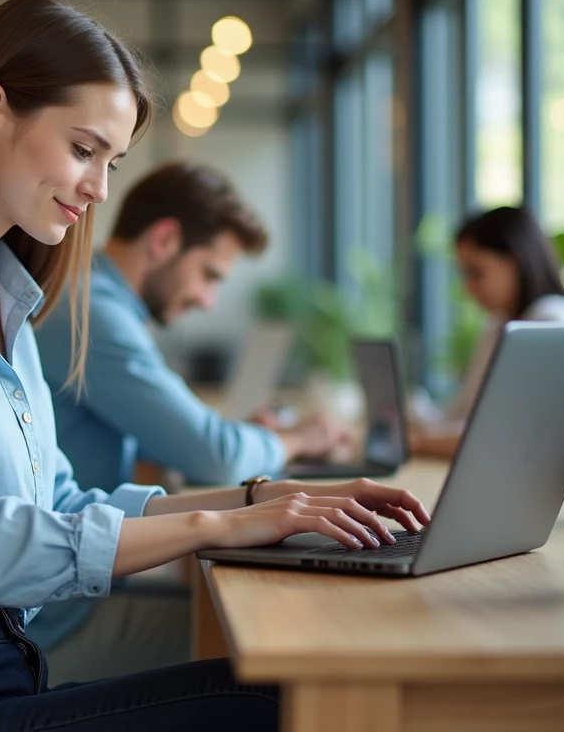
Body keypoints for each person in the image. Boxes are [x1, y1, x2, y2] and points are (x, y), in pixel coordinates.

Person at [0, 0, 429, 732]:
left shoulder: (2, 301)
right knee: (289, 703)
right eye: (83, 149)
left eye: (111, 161)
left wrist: (259, 503)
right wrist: (218, 527)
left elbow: (63, 505)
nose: (99, 189)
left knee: (295, 686)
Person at [27, 162, 352, 682]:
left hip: (70, 590)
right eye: (209, 275)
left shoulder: (98, 301)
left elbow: (186, 442)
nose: (207, 300)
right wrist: (295, 439)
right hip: (51, 624)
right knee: (285, 654)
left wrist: (252, 440)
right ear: (165, 239)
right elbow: (213, 454)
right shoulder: (88, 309)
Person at [413, 205, 564, 458]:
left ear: (515, 261)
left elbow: (512, 434)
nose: (468, 288)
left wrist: (421, 441)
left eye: (476, 272)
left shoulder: (557, 321)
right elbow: (466, 413)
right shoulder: (498, 327)